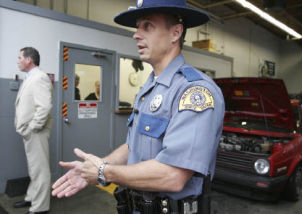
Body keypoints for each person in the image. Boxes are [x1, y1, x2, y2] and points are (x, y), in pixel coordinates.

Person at [52, 0, 225, 213]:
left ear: (175, 33)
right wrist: (95, 167)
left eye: (147, 26)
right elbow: (133, 146)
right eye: (137, 27)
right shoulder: (150, 88)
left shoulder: (194, 91)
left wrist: (104, 172)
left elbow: (174, 176)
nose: (136, 34)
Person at [14, 47, 52, 214]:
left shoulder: (40, 77)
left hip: (36, 132)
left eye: (20, 57)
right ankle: (31, 198)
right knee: (34, 168)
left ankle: (41, 207)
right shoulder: (31, 77)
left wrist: (32, 128)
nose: (18, 60)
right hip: (30, 132)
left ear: (29, 60)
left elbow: (44, 107)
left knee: (40, 169)